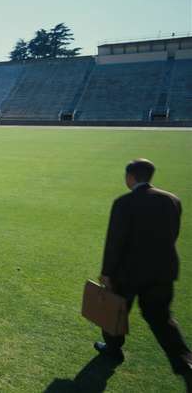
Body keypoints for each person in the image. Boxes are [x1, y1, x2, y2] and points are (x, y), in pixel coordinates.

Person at [94, 159, 191, 389]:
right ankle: (185, 362)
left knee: (115, 313)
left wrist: (107, 273)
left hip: (127, 273)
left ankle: (113, 349)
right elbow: (172, 234)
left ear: (130, 177)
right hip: (162, 271)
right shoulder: (171, 200)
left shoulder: (123, 203)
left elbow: (115, 242)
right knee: (161, 319)